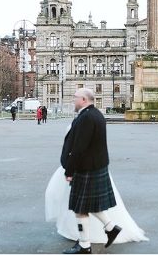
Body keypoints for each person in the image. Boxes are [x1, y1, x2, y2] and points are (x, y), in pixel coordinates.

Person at [54, 88, 135, 254]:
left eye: (75, 98)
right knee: (89, 205)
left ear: (84, 99)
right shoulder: (96, 114)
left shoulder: (87, 117)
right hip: (95, 166)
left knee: (80, 209)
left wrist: (69, 171)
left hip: (86, 168)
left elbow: (79, 147)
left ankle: (84, 245)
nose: (73, 101)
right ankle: (111, 227)